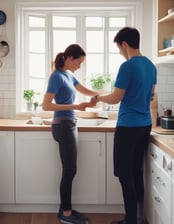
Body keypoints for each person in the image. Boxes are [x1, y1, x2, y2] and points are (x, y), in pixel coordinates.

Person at [90, 27, 157, 224]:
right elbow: (151, 95)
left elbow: (115, 97)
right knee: (136, 173)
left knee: (124, 175)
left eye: (119, 47)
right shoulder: (151, 66)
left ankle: (130, 220)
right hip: (145, 125)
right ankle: (135, 217)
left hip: (128, 127)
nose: (120, 51)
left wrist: (97, 98)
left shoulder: (127, 66)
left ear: (125, 44)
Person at [42, 44, 101, 224]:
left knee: (70, 169)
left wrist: (104, 95)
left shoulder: (69, 75)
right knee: (70, 169)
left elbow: (84, 90)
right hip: (63, 126)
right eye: (79, 62)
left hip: (70, 124)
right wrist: (76, 106)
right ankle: (66, 214)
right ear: (70, 58)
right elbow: (46, 105)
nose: (80, 66)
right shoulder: (56, 76)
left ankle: (65, 208)